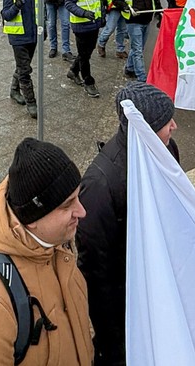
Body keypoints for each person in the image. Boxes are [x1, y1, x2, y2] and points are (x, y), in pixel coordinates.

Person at [0, 137, 93, 365]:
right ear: (32, 218)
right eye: (67, 205)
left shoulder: (52, 240)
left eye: (78, 196)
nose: (82, 212)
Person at [77, 84, 179, 365]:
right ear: (144, 130)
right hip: (124, 301)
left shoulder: (167, 149)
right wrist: (112, 338)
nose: (174, 126)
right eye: (166, 122)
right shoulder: (99, 185)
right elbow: (95, 271)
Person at [2, 0, 40, 119]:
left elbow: (40, 10)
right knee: (25, 70)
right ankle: (31, 102)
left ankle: (14, 90)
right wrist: (16, 6)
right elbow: (6, 15)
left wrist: (42, 28)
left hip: (33, 35)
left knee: (23, 65)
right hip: (18, 37)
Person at [112, 0, 159, 81]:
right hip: (133, 21)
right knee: (138, 50)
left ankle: (129, 68)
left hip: (147, 18)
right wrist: (127, 7)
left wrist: (159, 12)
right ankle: (142, 77)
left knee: (138, 47)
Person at [65, 0, 105, 99]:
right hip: (81, 25)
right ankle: (88, 82)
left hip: (94, 23)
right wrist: (84, 13)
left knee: (88, 51)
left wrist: (102, 16)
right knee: (84, 55)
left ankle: (73, 71)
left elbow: (98, 0)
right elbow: (69, 4)